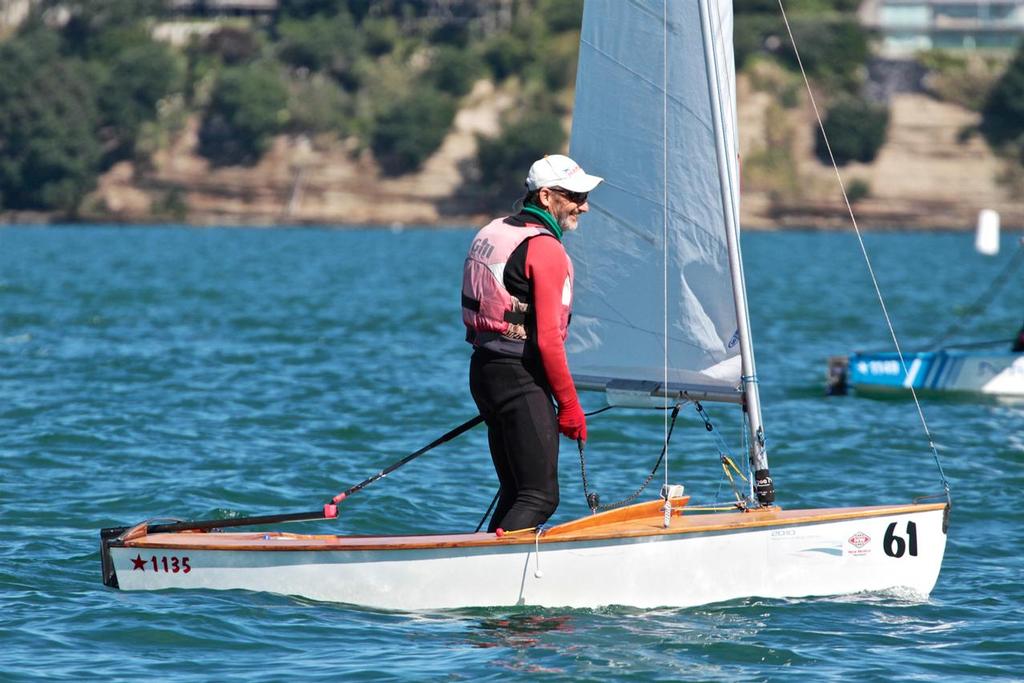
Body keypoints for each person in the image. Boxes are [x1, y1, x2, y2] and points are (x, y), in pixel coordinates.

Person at [462, 154, 602, 533]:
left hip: (486, 372)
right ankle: (488, 575)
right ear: (545, 197)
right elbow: (549, 343)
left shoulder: (495, 230)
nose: (583, 205)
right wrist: (570, 406)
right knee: (539, 496)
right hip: (518, 377)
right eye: (575, 195)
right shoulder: (545, 249)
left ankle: (481, 566)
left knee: (517, 490)